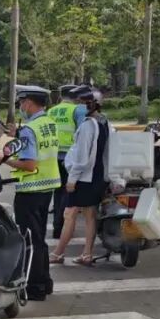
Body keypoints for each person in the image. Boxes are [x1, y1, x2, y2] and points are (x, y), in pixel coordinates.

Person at [0, 86, 61, 301]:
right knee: (39, 238)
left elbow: (30, 165)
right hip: (46, 187)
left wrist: (3, 160)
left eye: (22, 103)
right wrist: (17, 135)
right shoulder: (48, 123)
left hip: (30, 190)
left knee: (30, 239)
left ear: (29, 103)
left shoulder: (30, 129)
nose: (21, 107)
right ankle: (45, 282)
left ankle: (35, 286)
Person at [52, 87, 111, 266]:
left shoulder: (87, 126)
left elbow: (82, 157)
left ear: (89, 104)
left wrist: (72, 179)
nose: (78, 106)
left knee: (69, 214)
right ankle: (86, 254)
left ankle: (58, 253)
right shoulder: (104, 122)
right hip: (97, 175)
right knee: (90, 214)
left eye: (80, 103)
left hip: (84, 178)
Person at [48, 84, 89, 239]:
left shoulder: (51, 111)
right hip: (70, 158)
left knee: (58, 192)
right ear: (76, 96)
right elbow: (83, 133)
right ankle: (62, 227)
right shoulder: (77, 110)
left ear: (61, 95)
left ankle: (57, 227)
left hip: (53, 156)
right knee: (68, 193)